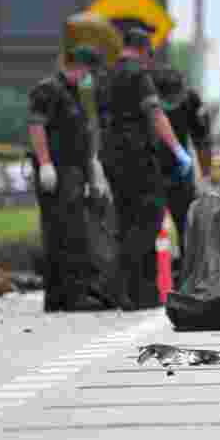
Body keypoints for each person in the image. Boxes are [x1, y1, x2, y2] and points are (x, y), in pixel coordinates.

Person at [102, 28, 194, 309]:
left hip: (111, 155)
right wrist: (178, 150)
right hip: (137, 154)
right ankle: (129, 287)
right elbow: (155, 114)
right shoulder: (138, 75)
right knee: (149, 216)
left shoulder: (105, 76)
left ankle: (137, 292)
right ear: (143, 50)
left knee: (126, 218)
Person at [28, 45, 111, 311]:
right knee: (62, 233)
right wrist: (45, 164)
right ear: (78, 67)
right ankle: (67, 297)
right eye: (89, 72)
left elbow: (81, 136)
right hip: (58, 172)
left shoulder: (74, 93)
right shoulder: (48, 89)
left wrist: (92, 173)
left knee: (72, 232)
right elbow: (36, 125)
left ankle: (64, 297)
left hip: (73, 172)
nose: (91, 78)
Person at [150, 66, 213, 270]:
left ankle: (190, 273)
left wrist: (205, 178)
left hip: (180, 171)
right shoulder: (144, 99)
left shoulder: (191, 101)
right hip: (149, 170)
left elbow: (203, 140)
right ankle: (148, 276)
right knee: (147, 227)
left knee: (188, 225)